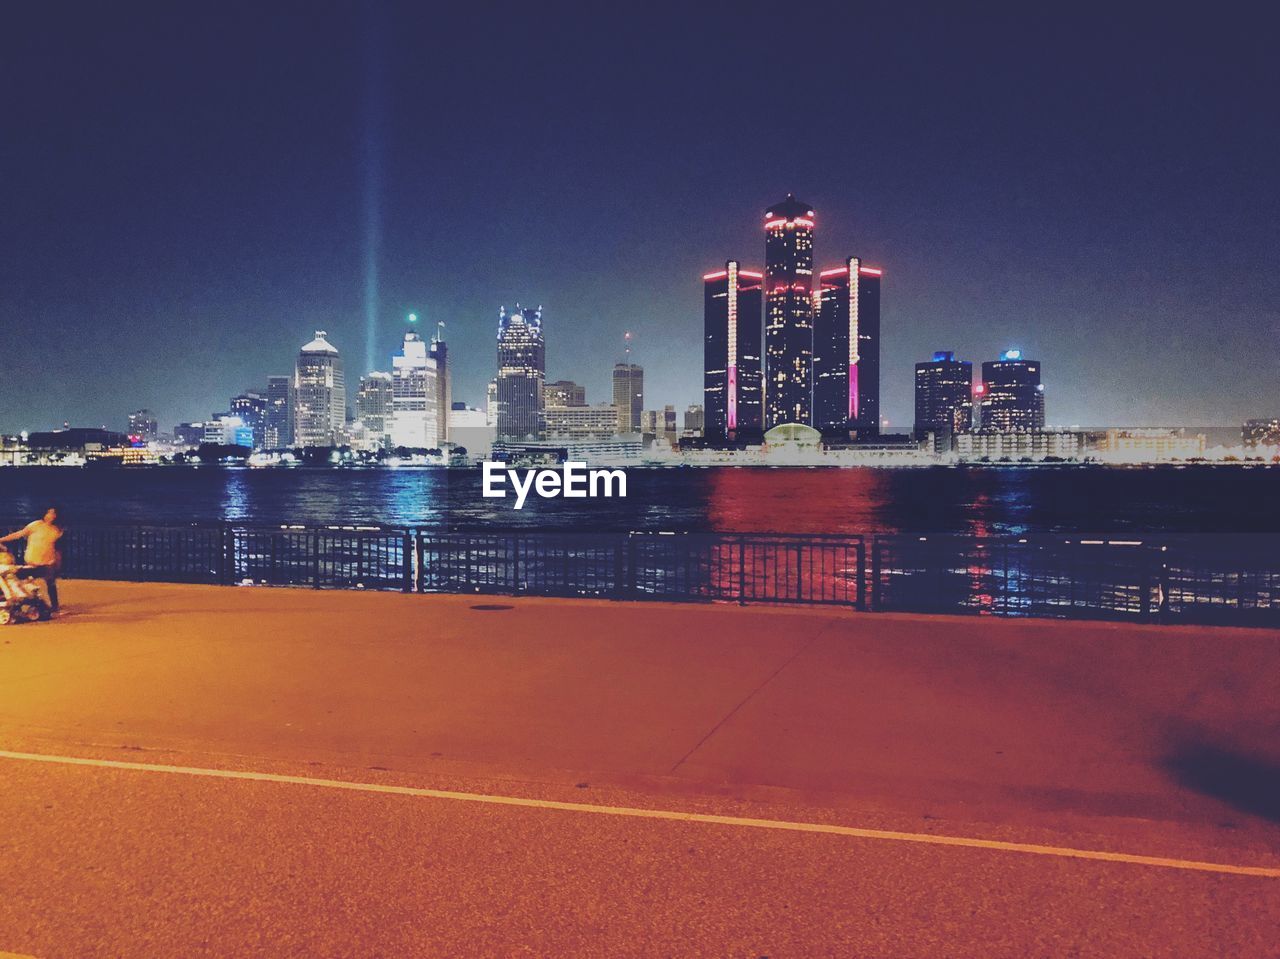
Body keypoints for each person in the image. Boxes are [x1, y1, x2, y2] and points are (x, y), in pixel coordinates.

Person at [0, 508, 64, 612]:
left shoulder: (57, 531)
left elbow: (58, 549)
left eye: (53, 514)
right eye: (49, 513)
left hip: (47, 563)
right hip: (31, 562)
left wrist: (57, 563)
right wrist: (2, 539)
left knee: (51, 584)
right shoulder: (36, 525)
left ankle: (54, 607)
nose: (51, 516)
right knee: (18, 582)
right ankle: (18, 603)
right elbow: (18, 534)